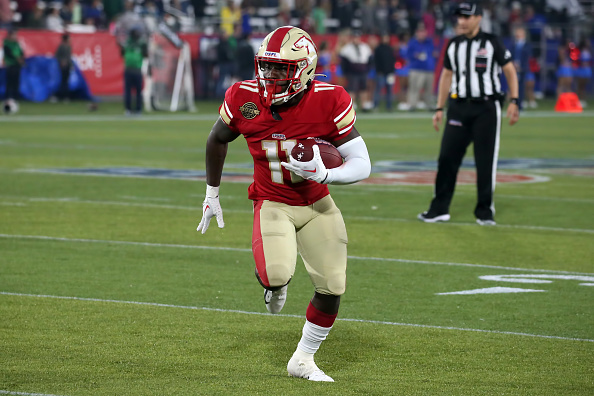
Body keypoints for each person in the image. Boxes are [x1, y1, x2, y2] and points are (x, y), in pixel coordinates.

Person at [196, 26, 371, 382]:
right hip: (272, 201)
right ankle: (275, 285)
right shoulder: (243, 97)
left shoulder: (329, 98)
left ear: (305, 68)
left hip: (317, 203)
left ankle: (303, 359)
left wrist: (327, 176)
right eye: (266, 66)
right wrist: (211, 193)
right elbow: (217, 139)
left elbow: (362, 162)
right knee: (275, 277)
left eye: (282, 68)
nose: (271, 76)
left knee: (333, 285)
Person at [418, 1, 519, 226]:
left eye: (466, 17)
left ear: (478, 18)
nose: (461, 21)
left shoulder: (492, 42)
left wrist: (514, 100)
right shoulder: (454, 44)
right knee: (446, 158)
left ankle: (484, 211)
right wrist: (439, 107)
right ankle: (439, 209)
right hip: (458, 107)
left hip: (486, 107)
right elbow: (446, 75)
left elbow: (509, 70)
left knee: (485, 161)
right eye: (459, 17)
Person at [339, 30, 373, 111]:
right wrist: (345, 72)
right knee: (352, 88)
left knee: (363, 88)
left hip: (363, 69)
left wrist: (367, 69)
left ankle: (363, 105)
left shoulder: (364, 47)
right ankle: (352, 105)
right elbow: (343, 61)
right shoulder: (347, 48)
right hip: (352, 70)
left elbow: (370, 59)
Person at [406, 23, 436, 111]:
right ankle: (412, 105)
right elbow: (408, 55)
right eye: (420, 32)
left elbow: (433, 52)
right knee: (414, 88)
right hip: (416, 69)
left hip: (428, 69)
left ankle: (429, 105)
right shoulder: (412, 42)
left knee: (429, 89)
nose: (422, 34)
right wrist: (415, 55)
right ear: (417, 33)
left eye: (423, 32)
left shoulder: (429, 42)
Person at [119, 28, 148, 115]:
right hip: (129, 70)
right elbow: (122, 53)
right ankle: (128, 109)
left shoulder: (141, 43)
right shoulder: (127, 43)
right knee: (128, 91)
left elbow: (145, 54)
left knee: (138, 91)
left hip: (137, 70)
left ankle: (138, 109)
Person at [373, 34, 396, 111]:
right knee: (378, 89)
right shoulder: (378, 49)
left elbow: (392, 61)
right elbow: (376, 61)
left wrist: (392, 71)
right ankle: (376, 105)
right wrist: (378, 71)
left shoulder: (390, 49)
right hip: (381, 73)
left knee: (389, 90)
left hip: (389, 73)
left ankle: (389, 106)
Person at [2, 28, 24, 107]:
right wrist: (17, 59)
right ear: (9, 35)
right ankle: (8, 98)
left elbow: (21, 52)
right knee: (9, 82)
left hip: (17, 65)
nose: (15, 36)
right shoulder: (6, 43)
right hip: (10, 64)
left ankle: (16, 98)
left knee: (16, 82)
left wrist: (21, 59)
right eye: (13, 35)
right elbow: (8, 53)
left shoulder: (17, 43)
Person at [512, 25, 532, 110]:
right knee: (513, 87)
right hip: (514, 68)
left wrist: (521, 66)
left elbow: (528, 57)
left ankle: (520, 104)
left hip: (523, 69)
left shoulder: (527, 45)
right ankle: (514, 104)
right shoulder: (514, 44)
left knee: (521, 87)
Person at [55, 33, 72, 102]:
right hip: (62, 66)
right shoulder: (61, 46)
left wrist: (70, 65)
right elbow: (57, 55)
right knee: (63, 81)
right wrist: (61, 61)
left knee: (66, 81)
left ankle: (65, 96)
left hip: (67, 66)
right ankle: (60, 96)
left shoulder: (69, 46)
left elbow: (69, 57)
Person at [574, 39, 592, 108]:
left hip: (586, 70)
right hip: (581, 70)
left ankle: (582, 100)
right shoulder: (579, 51)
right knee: (579, 86)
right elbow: (576, 60)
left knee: (583, 86)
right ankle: (577, 100)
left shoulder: (589, 51)